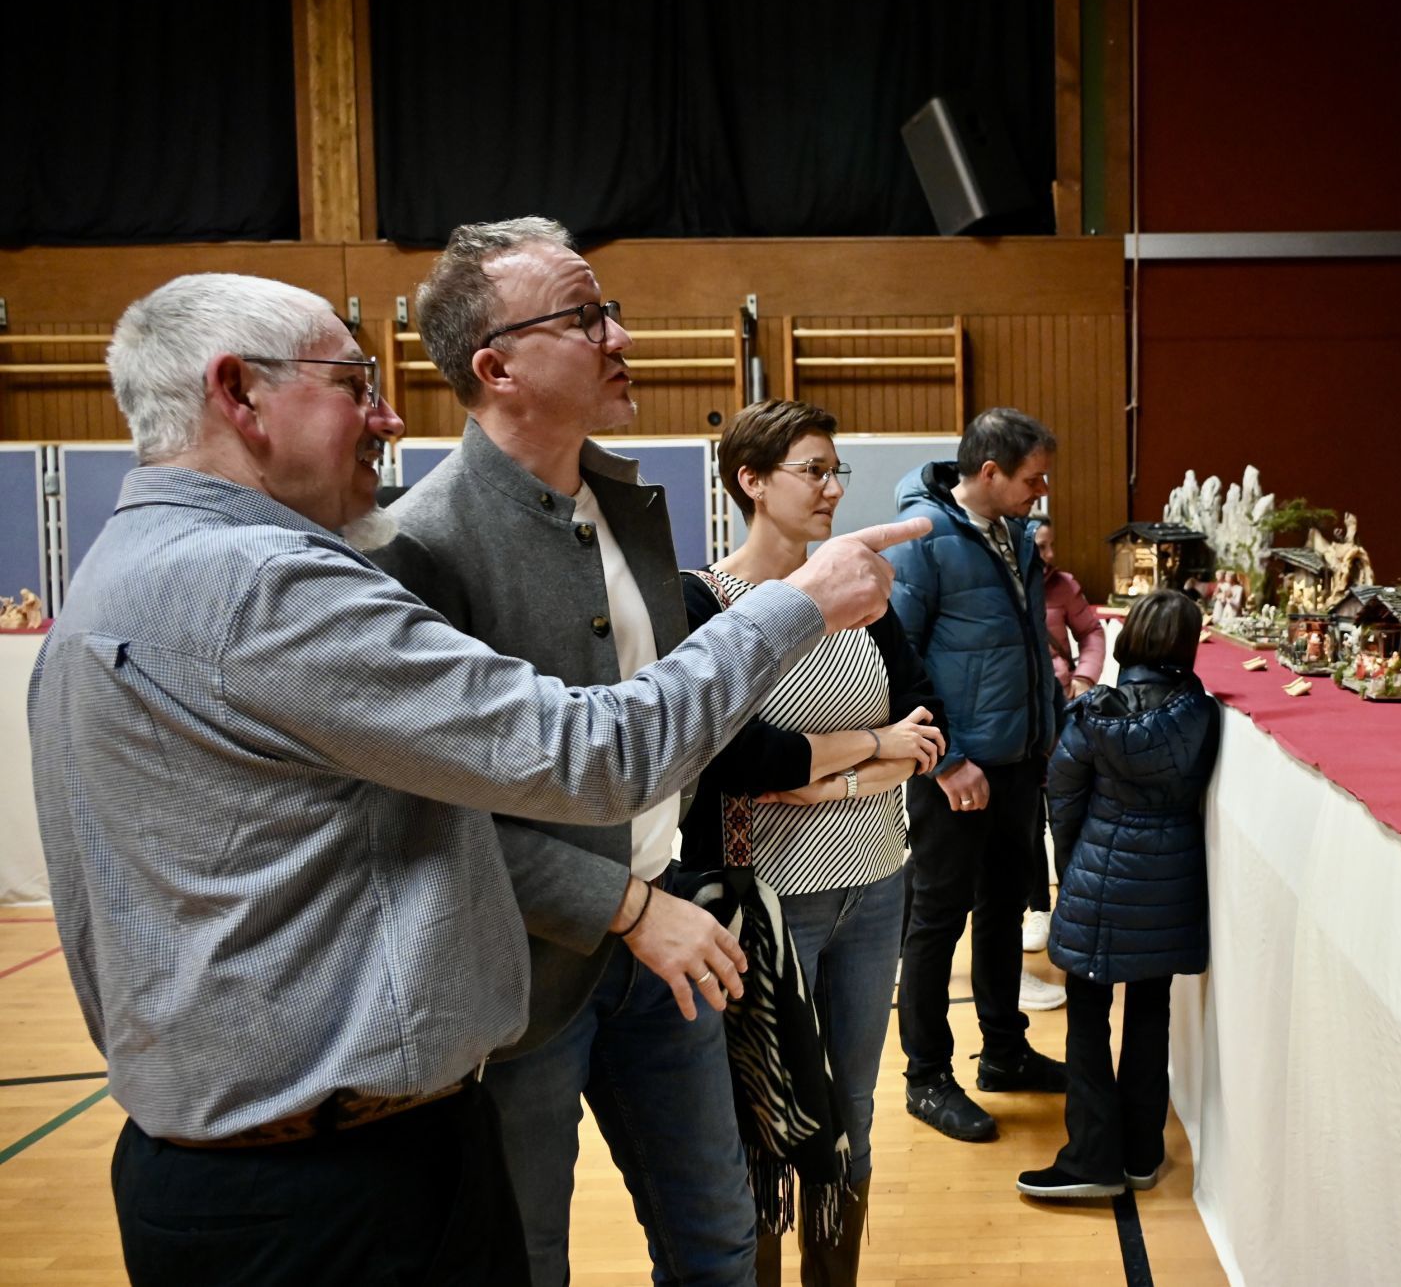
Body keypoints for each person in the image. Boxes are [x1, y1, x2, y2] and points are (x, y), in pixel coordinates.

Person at [27, 272, 920, 1286]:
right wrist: (793, 605)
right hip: (332, 1182)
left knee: (710, 1230)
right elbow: (591, 754)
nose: (387, 411)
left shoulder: (129, 565)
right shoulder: (270, 584)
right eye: (353, 381)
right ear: (239, 393)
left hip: (269, 1160)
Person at [370, 216, 778, 1283]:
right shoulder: (420, 543)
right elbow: (436, 817)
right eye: (585, 314)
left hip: (672, 935)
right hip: (522, 980)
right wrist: (629, 910)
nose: (619, 333)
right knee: (525, 1260)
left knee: (720, 1244)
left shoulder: (630, 505)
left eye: (610, 310)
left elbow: (670, 721)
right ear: (495, 366)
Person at [678, 399, 947, 1286]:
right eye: (813, 470)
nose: (833, 488)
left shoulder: (864, 593)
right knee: (766, 1116)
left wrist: (822, 776)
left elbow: (928, 722)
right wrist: (876, 748)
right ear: (751, 482)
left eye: (838, 472)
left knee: (854, 1112)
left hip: (876, 883)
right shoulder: (706, 600)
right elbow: (739, 758)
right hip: (765, 901)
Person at [888, 407, 1066, 1142]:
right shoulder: (924, 540)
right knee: (936, 919)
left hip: (1020, 763)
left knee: (1002, 911)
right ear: (989, 472)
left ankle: (1004, 1051)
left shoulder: (1015, 537)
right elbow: (896, 655)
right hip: (956, 770)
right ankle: (927, 1075)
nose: (1042, 490)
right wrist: (949, 759)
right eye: (1032, 478)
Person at [1019, 589, 1219, 1199]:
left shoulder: (1091, 718)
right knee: (1150, 1012)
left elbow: (1065, 808)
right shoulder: (1202, 715)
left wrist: (1079, 868)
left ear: (1129, 640)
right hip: (1172, 887)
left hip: (1098, 877)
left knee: (1087, 1017)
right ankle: (1142, 1151)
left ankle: (1090, 1159)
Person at [1023, 516, 1103, 957]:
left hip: (1066, 716)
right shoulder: (1003, 583)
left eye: (1052, 546)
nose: (1049, 556)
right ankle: (1038, 908)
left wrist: (1086, 676)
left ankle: (1073, 909)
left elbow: (1091, 631)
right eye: (1041, 546)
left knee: (1067, 814)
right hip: (1024, 719)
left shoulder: (1065, 586)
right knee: (1029, 822)